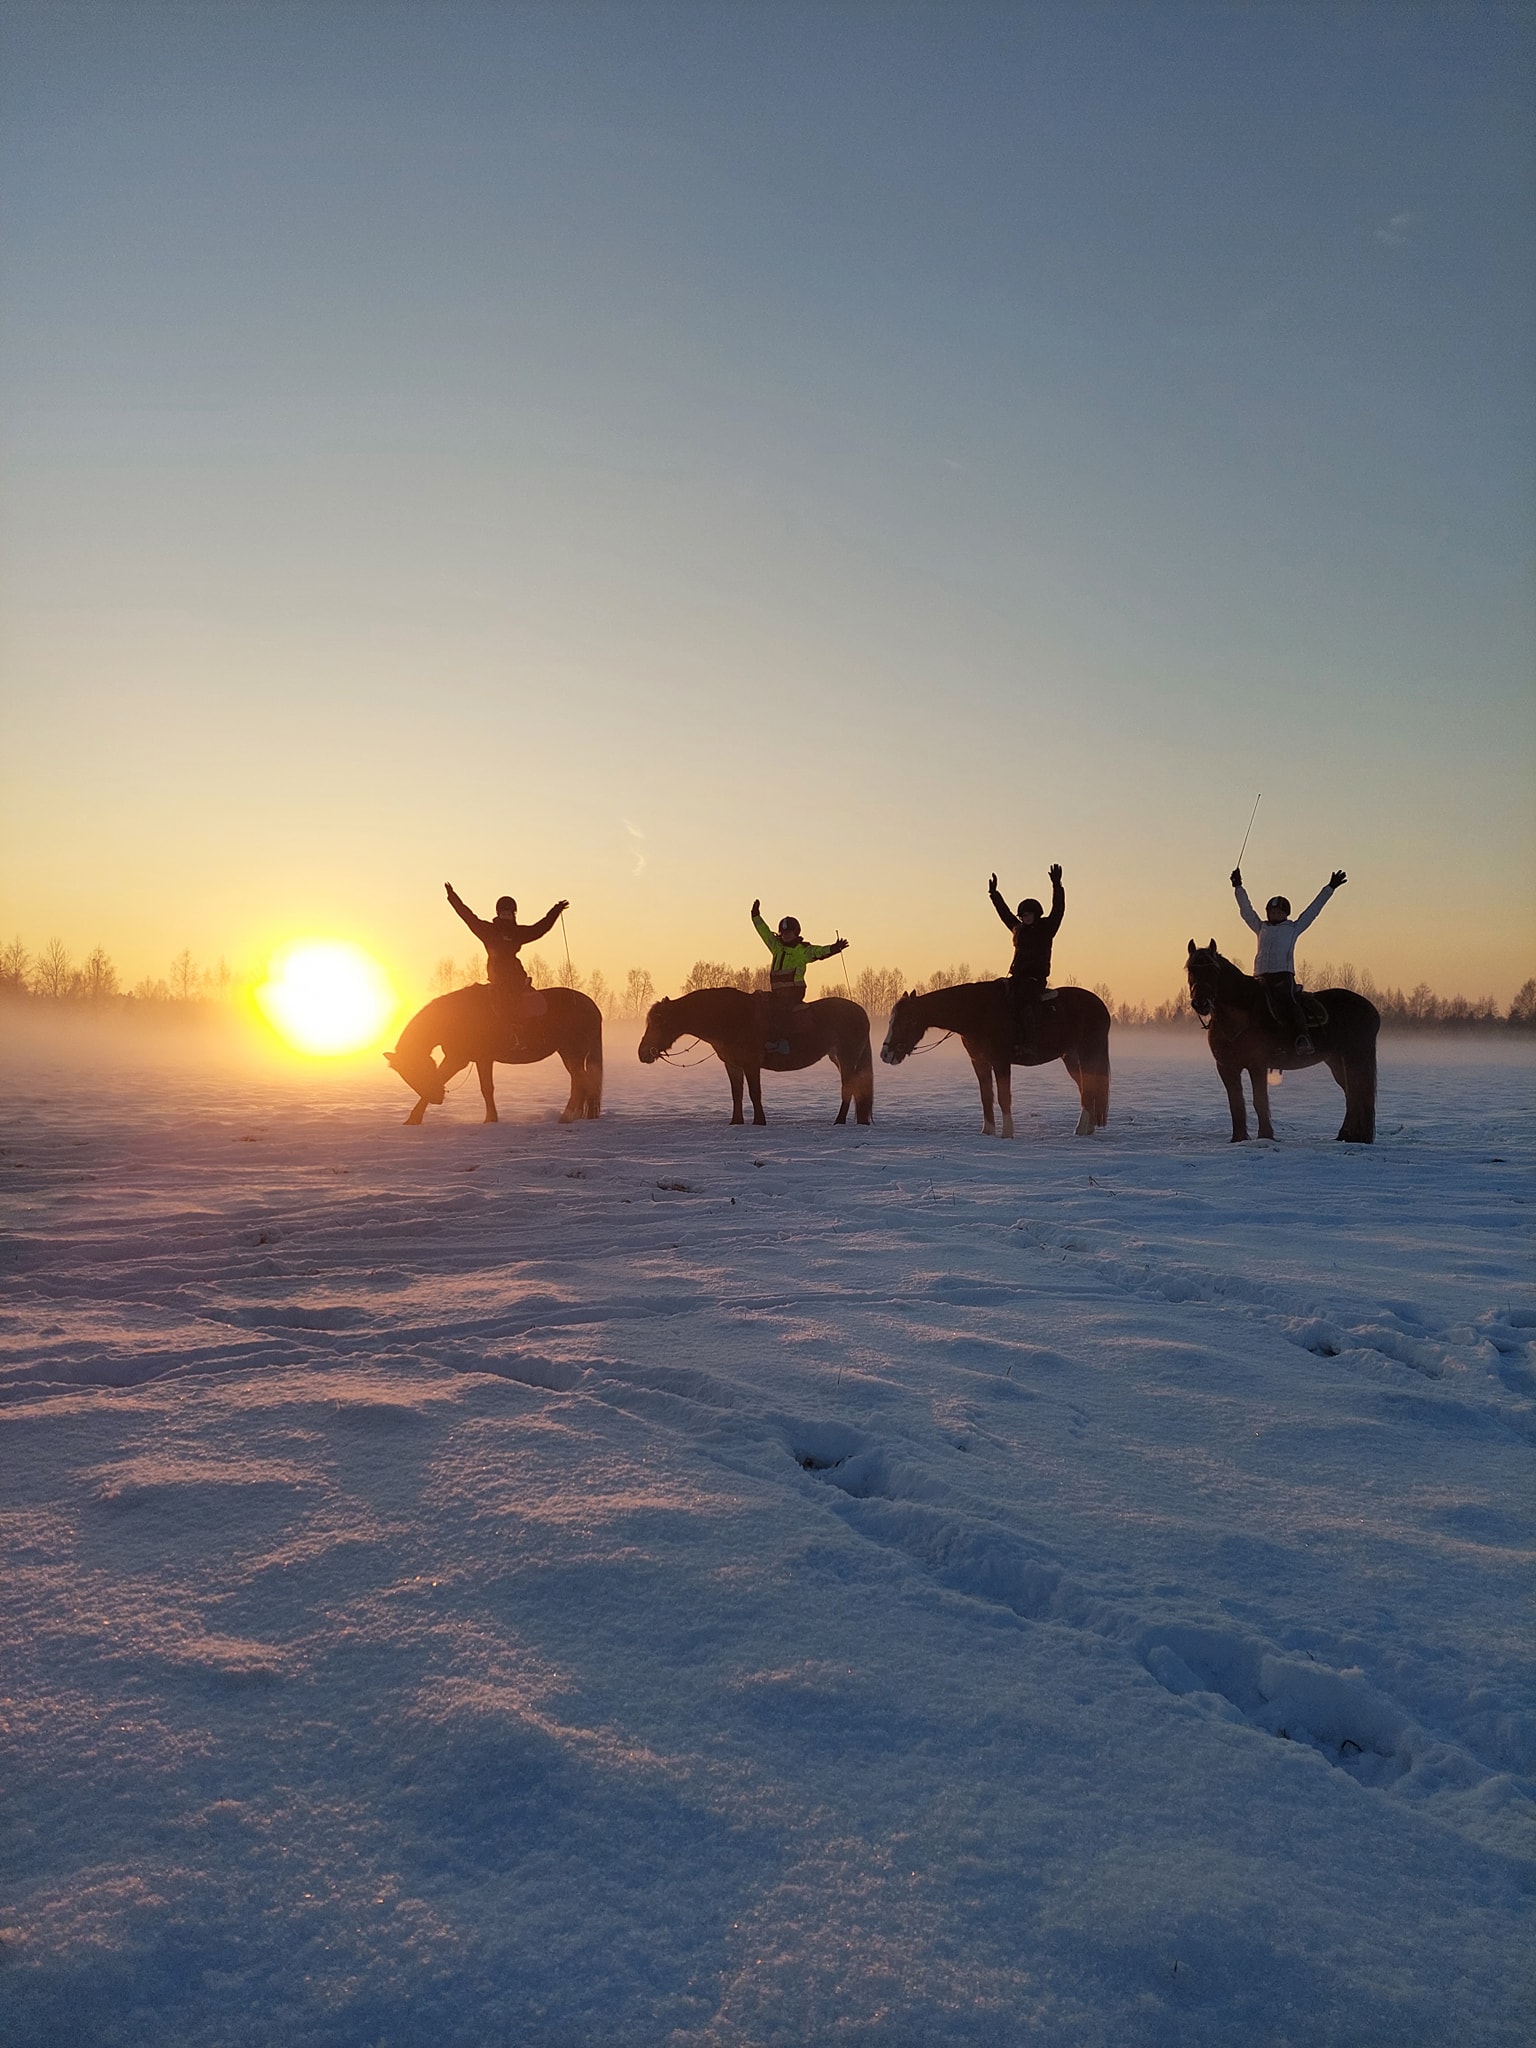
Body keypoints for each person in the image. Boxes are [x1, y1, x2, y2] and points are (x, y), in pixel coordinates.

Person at [1231, 866, 1346, 1053]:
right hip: (1259, 978)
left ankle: (1303, 1038)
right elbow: (1246, 911)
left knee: (1290, 1004)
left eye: (1278, 912)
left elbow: (1312, 911)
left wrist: (1329, 888)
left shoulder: (1293, 928)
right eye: (1271, 911)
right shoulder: (1261, 928)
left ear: (1286, 914)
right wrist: (1238, 887)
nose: (1274, 915)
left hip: (1282, 979)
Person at [444, 883, 567, 1040]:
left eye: (509, 914)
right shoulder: (487, 931)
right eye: (503, 914)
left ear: (514, 914)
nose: (506, 916)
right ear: (498, 914)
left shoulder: (518, 932)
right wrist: (452, 897)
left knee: (522, 1002)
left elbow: (540, 928)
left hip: (515, 978)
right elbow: (468, 916)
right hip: (497, 978)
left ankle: (523, 1032)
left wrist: (556, 910)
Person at [751, 900, 848, 1053]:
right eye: (783, 933)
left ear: (796, 933)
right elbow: (764, 932)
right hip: (777, 992)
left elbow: (818, 952)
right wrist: (756, 916)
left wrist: (834, 948)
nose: (785, 936)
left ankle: (782, 1042)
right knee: (761, 1006)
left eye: (788, 933)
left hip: (794, 991)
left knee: (782, 1011)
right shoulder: (777, 947)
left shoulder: (802, 950)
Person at [988, 864, 1064, 1054]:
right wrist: (994, 895)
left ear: (1036, 914)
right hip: (1018, 976)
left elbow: (1058, 909)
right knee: (999, 996)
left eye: (1027, 914)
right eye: (1021, 915)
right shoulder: (1018, 929)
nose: (1024, 918)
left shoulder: (1047, 927)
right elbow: (1004, 914)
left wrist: (1057, 885)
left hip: (1035, 977)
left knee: (1022, 1000)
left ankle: (1029, 1042)